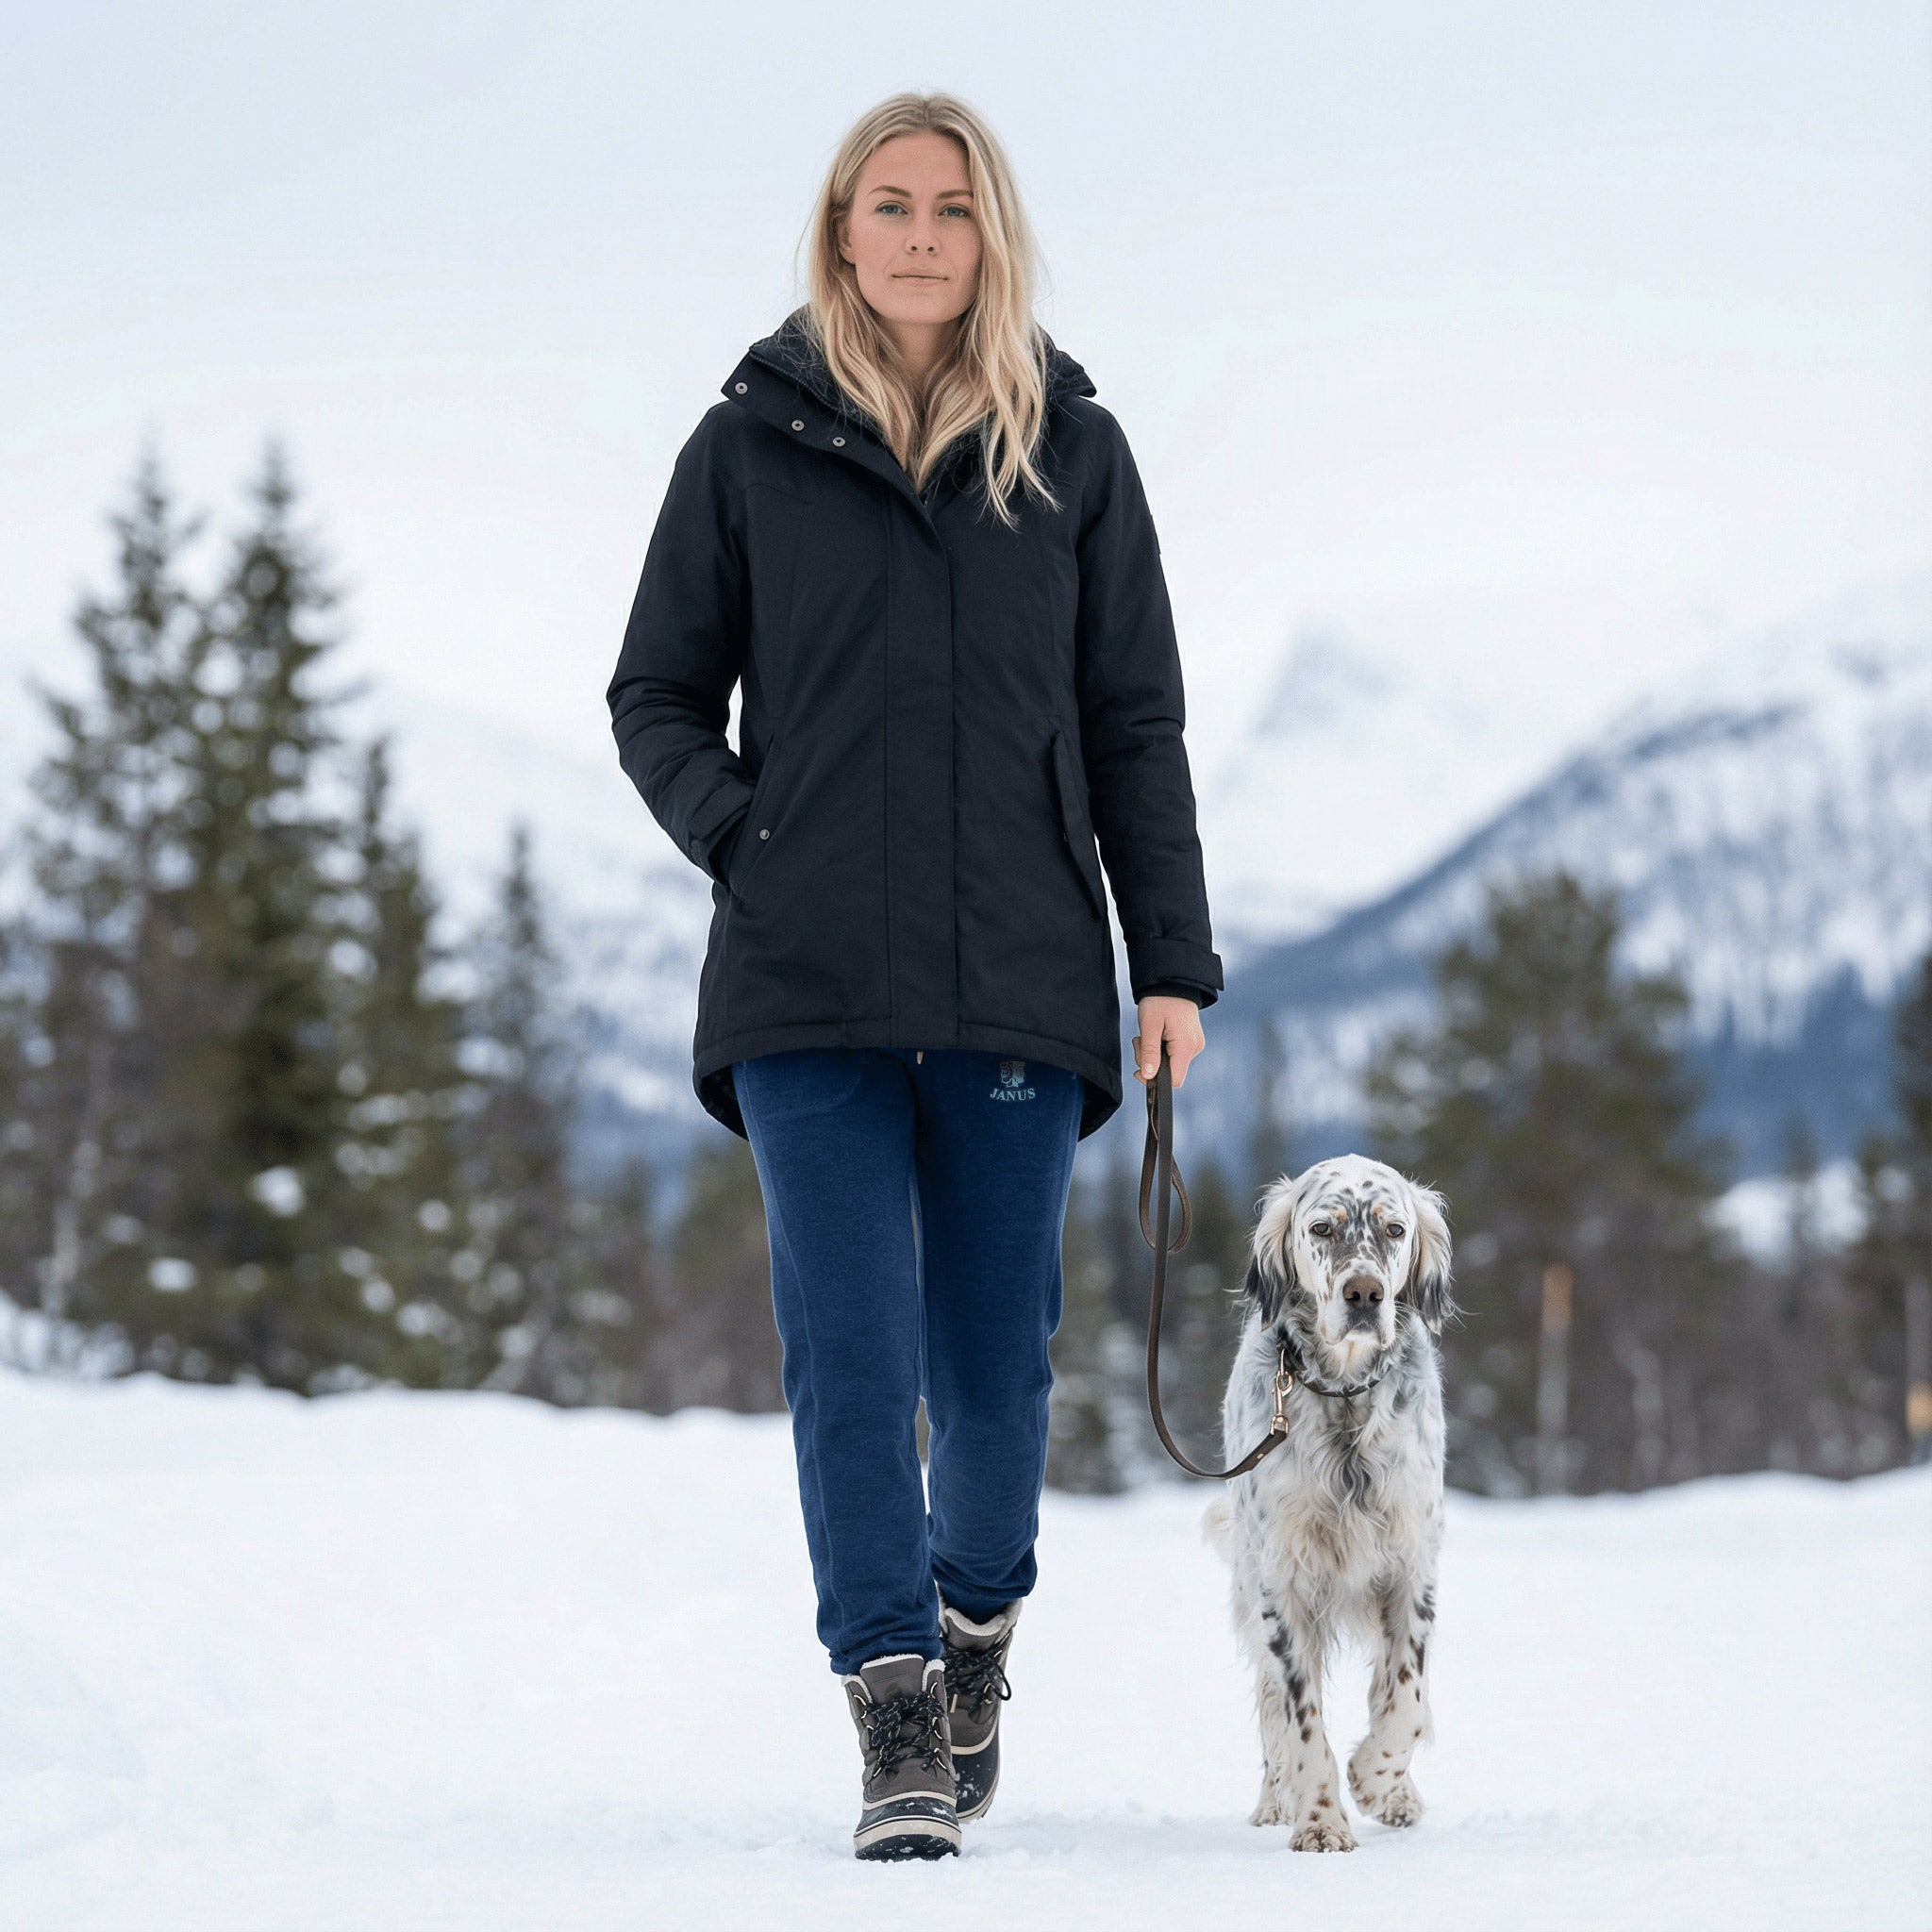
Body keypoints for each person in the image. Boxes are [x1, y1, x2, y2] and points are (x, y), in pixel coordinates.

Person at [607, 90, 1222, 1860]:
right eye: (891, 204)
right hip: (804, 989)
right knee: (853, 1358)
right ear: (841, 229)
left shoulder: (1074, 453)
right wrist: (754, 837)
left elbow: (1134, 725)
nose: (923, 233)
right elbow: (654, 695)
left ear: (991, 232)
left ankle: (972, 1633)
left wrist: (1166, 959)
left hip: (1023, 973)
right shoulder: (744, 449)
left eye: (954, 205)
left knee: (1000, 1364)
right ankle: (888, 1700)